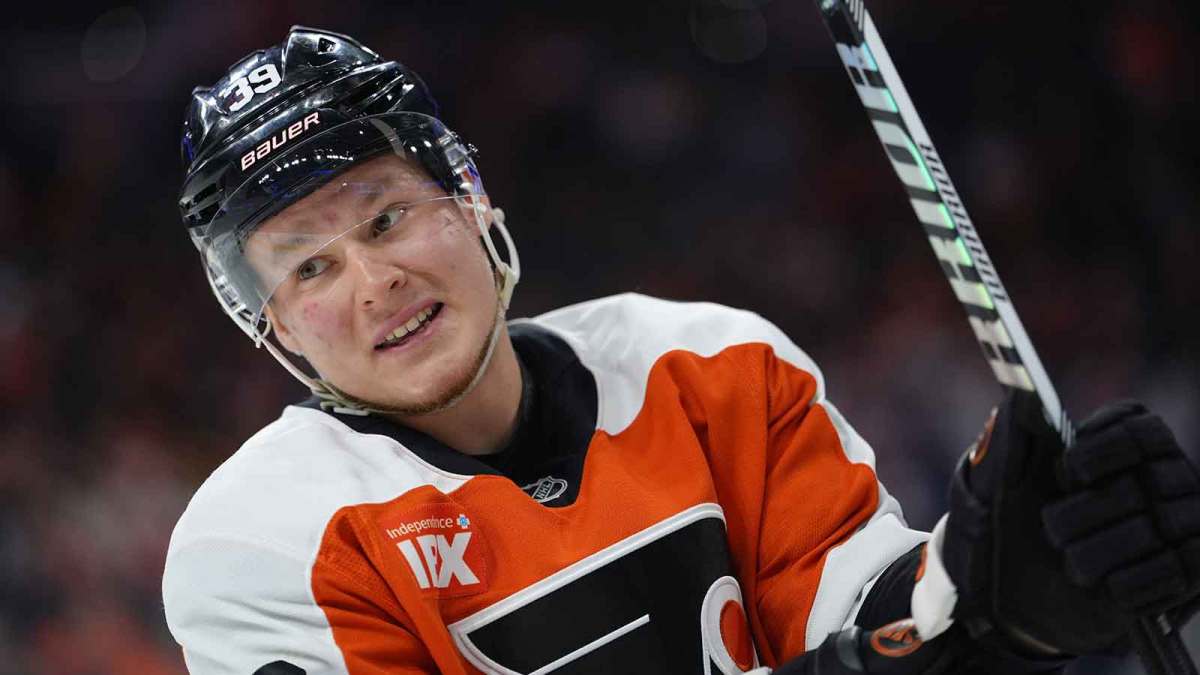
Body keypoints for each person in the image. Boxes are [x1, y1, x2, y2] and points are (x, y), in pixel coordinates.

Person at [164, 26, 1200, 675]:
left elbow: (870, 622)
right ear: (273, 328)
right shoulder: (261, 547)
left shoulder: (703, 366)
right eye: (307, 270)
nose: (369, 282)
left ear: (468, 195)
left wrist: (1000, 603)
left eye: (387, 218)